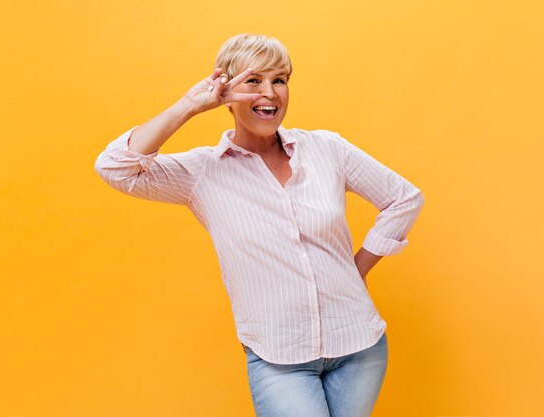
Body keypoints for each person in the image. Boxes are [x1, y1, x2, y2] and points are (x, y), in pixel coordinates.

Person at [94, 33, 424, 417]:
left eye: (279, 80)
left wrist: (359, 268)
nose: (269, 92)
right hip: (278, 358)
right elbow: (114, 168)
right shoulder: (202, 172)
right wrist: (189, 106)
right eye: (253, 81)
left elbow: (404, 198)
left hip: (359, 345)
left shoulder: (326, 149)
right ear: (225, 91)